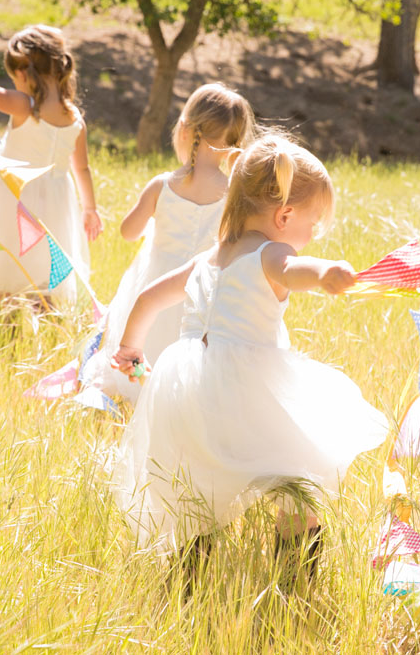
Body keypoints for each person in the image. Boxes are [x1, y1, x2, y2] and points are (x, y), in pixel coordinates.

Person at [108, 133, 388, 592]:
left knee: (199, 488)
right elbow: (296, 270)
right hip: (244, 387)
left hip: (187, 387)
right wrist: (326, 274)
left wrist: (130, 349)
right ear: (284, 216)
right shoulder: (272, 252)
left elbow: (148, 296)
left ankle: (190, 582)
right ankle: (294, 583)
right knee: (299, 474)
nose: (312, 234)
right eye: (313, 223)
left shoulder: (208, 258)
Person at [82, 83, 255, 402]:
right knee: (189, 363)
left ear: (184, 129)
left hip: (155, 283)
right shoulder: (235, 194)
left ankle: (136, 397)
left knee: (146, 345)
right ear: (236, 143)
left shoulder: (161, 186)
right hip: (205, 291)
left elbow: (128, 231)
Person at [0, 24, 102, 306]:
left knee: (9, 269)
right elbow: (82, 168)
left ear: (24, 74)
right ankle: (49, 332)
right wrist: (90, 208)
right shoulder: (75, 118)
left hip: (14, 198)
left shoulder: (25, 105)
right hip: (56, 203)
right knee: (45, 273)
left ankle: (6, 339)